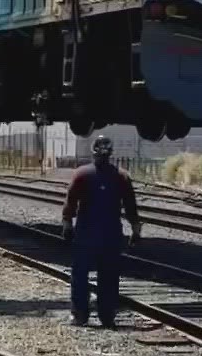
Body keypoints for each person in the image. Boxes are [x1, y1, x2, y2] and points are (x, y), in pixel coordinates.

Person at [60, 135, 142, 327]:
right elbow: (131, 206)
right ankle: (107, 315)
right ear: (111, 153)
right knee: (109, 275)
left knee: (80, 273)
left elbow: (70, 201)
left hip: (86, 231)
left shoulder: (82, 174)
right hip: (111, 232)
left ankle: (80, 314)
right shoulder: (121, 176)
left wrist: (67, 224)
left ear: (93, 151)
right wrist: (136, 230)